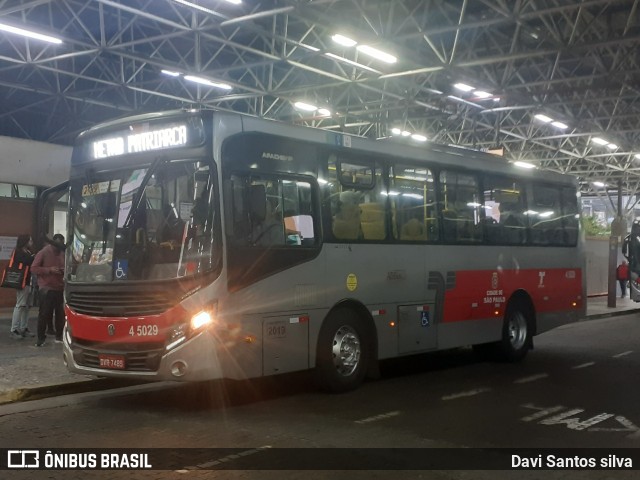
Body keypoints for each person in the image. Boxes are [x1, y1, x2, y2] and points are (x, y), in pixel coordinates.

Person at [31, 234, 66, 346]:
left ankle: (59, 336)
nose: (58, 249)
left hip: (59, 287)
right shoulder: (43, 252)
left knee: (60, 314)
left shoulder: (62, 253)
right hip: (46, 288)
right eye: (56, 246)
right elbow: (34, 268)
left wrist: (63, 270)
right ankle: (41, 339)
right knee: (44, 314)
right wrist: (49, 270)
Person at [9, 234, 35, 339]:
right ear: (25, 241)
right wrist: (33, 257)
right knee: (20, 305)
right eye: (30, 240)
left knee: (27, 306)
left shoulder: (28, 252)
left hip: (29, 281)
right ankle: (14, 329)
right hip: (21, 282)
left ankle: (24, 328)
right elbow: (26, 261)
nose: (31, 242)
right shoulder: (18, 252)